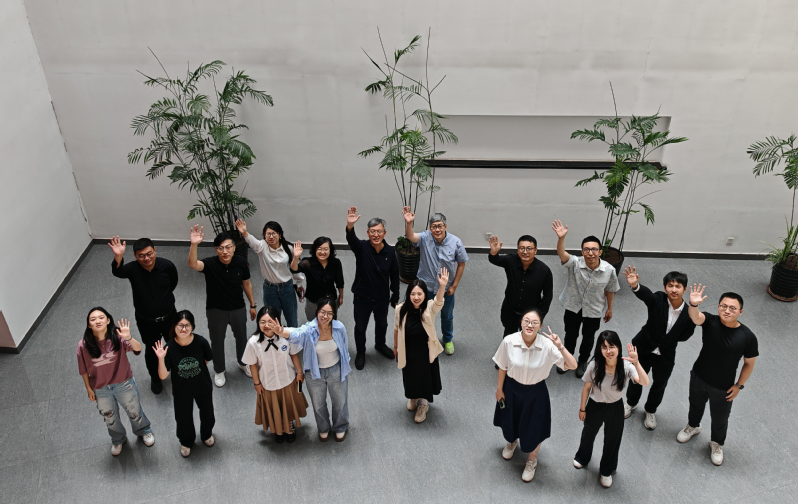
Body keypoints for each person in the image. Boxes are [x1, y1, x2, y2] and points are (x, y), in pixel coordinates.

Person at [676, 286, 758, 466]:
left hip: (723, 387)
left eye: (732, 308)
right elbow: (696, 317)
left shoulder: (747, 337)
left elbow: (749, 364)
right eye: (723, 306)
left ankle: (717, 443)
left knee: (720, 418)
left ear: (740, 312)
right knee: (695, 405)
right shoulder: (711, 321)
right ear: (719, 307)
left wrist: (739, 385)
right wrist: (693, 304)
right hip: (699, 376)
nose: (727, 311)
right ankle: (693, 426)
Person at [493, 310, 577, 482]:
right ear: (521, 322)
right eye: (526, 321)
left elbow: (572, 365)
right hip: (512, 388)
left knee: (534, 427)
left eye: (534, 322)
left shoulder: (548, 346)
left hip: (535, 392)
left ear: (540, 326)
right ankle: (512, 442)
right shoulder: (509, 341)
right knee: (511, 419)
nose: (529, 325)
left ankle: (532, 460)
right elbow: (503, 366)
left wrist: (560, 346)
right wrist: (499, 389)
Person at [621, 266, 696, 429]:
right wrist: (635, 286)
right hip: (643, 348)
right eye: (670, 285)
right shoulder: (658, 299)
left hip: (666, 353)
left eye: (678, 286)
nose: (674, 289)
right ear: (665, 287)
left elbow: (686, 335)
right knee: (636, 378)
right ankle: (631, 403)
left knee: (660, 383)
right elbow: (647, 296)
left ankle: (650, 410)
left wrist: (667, 340)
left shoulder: (690, 312)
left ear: (684, 289)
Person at [573, 331, 649, 488]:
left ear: (618, 347)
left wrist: (636, 363)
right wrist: (582, 409)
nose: (608, 351)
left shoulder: (626, 366)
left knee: (612, 440)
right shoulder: (594, 365)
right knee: (588, 434)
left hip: (615, 407)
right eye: (604, 347)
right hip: (595, 405)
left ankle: (606, 470)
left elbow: (644, 382)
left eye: (612, 346)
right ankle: (582, 457)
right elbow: (586, 388)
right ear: (600, 349)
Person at [271, 296, 352, 442]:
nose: (325, 316)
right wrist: (281, 332)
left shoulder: (339, 327)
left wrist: (344, 367)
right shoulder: (309, 329)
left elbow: (344, 347)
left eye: (329, 313)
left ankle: (340, 426)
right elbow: (297, 333)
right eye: (322, 312)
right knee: (318, 404)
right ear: (317, 311)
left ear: (334, 314)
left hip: (336, 369)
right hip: (315, 372)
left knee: (340, 402)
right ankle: (323, 428)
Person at [77, 307, 155, 456]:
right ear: (89, 325)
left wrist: (128, 337)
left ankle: (144, 431)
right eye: (93, 319)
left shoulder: (117, 337)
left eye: (101, 317)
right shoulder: (83, 345)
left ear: (108, 320)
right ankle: (118, 439)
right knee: (109, 417)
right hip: (100, 388)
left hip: (123, 383)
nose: (97, 321)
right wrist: (88, 388)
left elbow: (138, 349)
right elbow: (84, 370)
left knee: (134, 410)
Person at [188, 225, 257, 388]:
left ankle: (242, 362)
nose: (225, 251)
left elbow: (246, 283)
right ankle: (219, 370)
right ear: (216, 250)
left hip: (238, 307)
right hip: (215, 310)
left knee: (242, 338)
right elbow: (193, 264)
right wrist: (194, 245)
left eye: (228, 247)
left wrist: (253, 304)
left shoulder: (241, 263)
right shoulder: (210, 264)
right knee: (217, 341)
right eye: (221, 248)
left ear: (234, 247)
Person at [109, 236, 178, 394]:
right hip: (146, 321)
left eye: (149, 254)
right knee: (151, 350)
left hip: (169, 317)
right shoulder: (132, 269)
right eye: (141, 256)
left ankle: (176, 371)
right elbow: (117, 272)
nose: (146, 258)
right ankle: (155, 377)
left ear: (154, 250)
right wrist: (118, 256)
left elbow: (173, 283)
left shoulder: (167, 266)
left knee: (174, 344)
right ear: (135, 256)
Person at [551, 220, 620, 378]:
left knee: (588, 338)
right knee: (570, 335)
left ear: (600, 252)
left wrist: (610, 308)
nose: (590, 253)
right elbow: (562, 254)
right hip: (573, 307)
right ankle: (567, 359)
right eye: (587, 249)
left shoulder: (609, 270)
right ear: (582, 252)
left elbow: (610, 289)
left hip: (594, 310)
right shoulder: (574, 263)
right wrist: (561, 238)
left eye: (594, 249)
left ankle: (583, 361)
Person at [401, 208, 468, 355]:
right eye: (434, 226)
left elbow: (461, 264)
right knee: (422, 314)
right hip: (426, 287)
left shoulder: (456, 242)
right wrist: (409, 223)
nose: (437, 229)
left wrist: (454, 285)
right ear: (430, 228)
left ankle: (448, 339)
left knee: (447, 316)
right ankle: (423, 338)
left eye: (440, 226)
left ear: (445, 226)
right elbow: (410, 236)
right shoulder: (425, 237)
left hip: (446, 288)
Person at [242, 306, 308, 443]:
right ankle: (278, 428)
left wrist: (300, 373)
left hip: (288, 380)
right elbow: (252, 364)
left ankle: (289, 425)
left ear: (277, 321)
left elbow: (294, 354)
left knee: (289, 404)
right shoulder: (253, 342)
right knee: (275, 407)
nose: (266, 325)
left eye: (270, 322)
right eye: (262, 322)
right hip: (268, 383)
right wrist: (256, 383)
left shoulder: (286, 336)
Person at [154, 310, 215, 458]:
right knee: (183, 418)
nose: (183, 329)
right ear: (174, 327)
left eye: (187, 325)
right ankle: (186, 441)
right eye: (180, 325)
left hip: (202, 386)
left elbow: (206, 360)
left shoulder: (201, 342)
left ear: (192, 326)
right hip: (182, 390)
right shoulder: (169, 348)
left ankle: (206, 434)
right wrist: (161, 359)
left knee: (207, 413)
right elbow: (163, 375)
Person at [346, 206, 400, 370]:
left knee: (382, 324)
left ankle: (380, 344)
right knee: (360, 327)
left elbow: (395, 275)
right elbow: (351, 239)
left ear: (384, 233)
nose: (376, 235)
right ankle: (361, 352)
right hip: (362, 297)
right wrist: (350, 226)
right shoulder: (361, 248)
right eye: (372, 231)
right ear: (368, 233)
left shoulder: (390, 252)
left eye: (379, 231)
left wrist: (395, 295)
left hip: (381, 298)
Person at [393, 268, 449, 423]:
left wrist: (442, 286)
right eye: (413, 294)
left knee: (425, 377)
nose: (416, 297)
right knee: (410, 376)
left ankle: (423, 404)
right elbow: (396, 328)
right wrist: (396, 347)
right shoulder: (400, 309)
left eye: (419, 294)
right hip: (408, 351)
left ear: (425, 295)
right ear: (408, 295)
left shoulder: (429, 308)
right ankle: (414, 397)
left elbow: (438, 302)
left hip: (425, 352)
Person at [236, 219, 301, 327]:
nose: (271, 237)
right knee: (272, 320)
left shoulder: (288, 248)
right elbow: (253, 242)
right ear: (264, 236)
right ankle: (276, 337)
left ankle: (293, 338)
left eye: (274, 233)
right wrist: (244, 233)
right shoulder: (262, 246)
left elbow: (295, 268)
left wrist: (299, 283)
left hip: (287, 288)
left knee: (292, 319)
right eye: (268, 234)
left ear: (280, 234)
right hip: (270, 288)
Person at [488, 234, 553, 336]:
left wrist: (540, 315)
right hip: (510, 309)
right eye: (522, 248)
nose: (525, 252)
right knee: (509, 336)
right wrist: (494, 252)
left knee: (528, 337)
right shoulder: (511, 261)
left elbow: (547, 296)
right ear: (517, 250)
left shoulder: (544, 270)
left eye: (529, 249)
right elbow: (494, 259)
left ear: (535, 250)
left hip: (530, 312)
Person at [293, 236, 345, 322]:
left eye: (325, 249)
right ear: (315, 250)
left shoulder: (336, 262)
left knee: (329, 323)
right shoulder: (308, 262)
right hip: (313, 300)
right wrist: (296, 257)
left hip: (330, 300)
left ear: (330, 250)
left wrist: (341, 296)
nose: (322, 252)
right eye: (319, 249)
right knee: (313, 323)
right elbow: (294, 269)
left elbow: (340, 281)